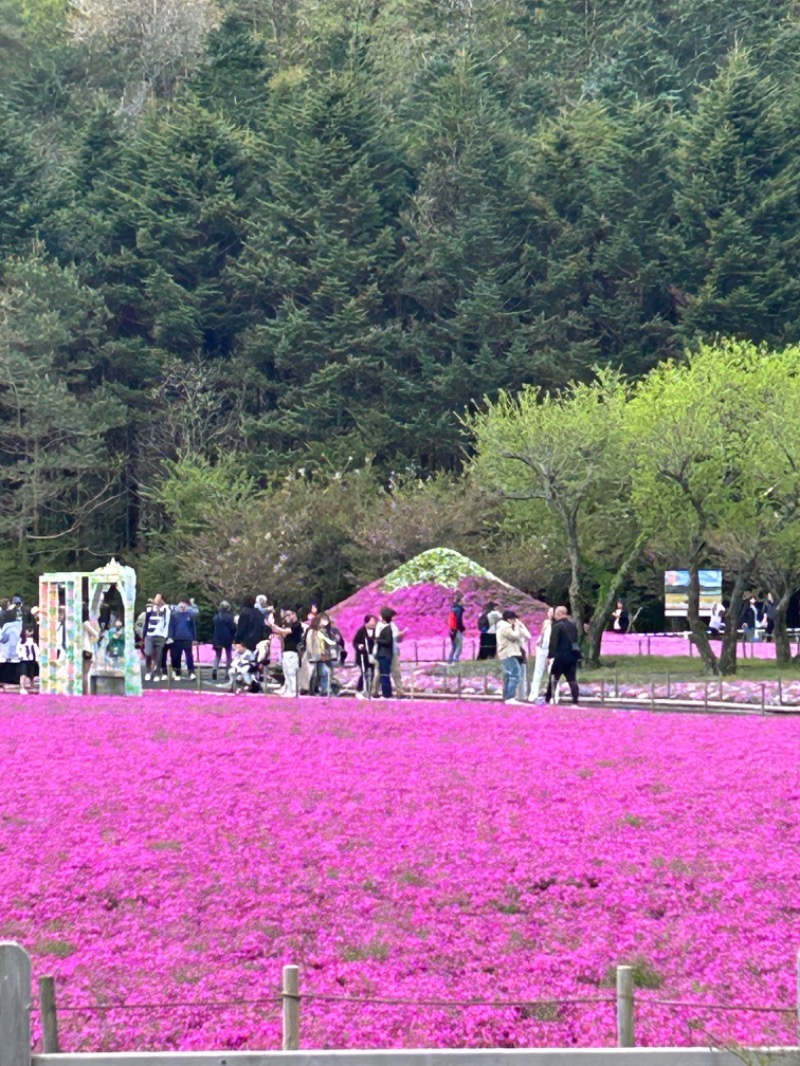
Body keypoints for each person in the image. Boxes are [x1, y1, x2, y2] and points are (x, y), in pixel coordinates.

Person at [546, 605, 581, 705]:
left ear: (560, 614)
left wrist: (549, 656)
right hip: (572, 656)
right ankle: (575, 701)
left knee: (553, 678)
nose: (555, 616)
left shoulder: (557, 626)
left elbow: (553, 643)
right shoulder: (572, 625)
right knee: (572, 679)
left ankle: (548, 699)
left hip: (560, 656)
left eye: (556, 613)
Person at [496, 610, 531, 704]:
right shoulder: (504, 627)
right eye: (513, 619)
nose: (515, 621)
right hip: (508, 653)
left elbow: (527, 635)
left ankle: (507, 696)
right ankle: (510, 697)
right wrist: (517, 627)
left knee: (508, 675)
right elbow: (514, 636)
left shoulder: (506, 627)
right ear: (509, 619)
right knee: (515, 674)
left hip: (510, 653)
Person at [272, 609, 304, 697]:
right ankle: (288, 689)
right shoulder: (289, 625)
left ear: (294, 614)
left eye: (289, 615)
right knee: (286, 672)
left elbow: (286, 631)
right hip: (286, 650)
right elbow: (283, 634)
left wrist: (275, 627)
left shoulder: (297, 625)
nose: (287, 617)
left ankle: (294, 691)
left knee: (291, 672)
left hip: (293, 651)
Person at [305, 614, 337, 697]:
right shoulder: (312, 631)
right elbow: (309, 644)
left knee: (324, 672)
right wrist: (310, 655)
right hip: (314, 655)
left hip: (324, 655)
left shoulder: (327, 631)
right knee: (313, 674)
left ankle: (325, 690)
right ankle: (312, 689)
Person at [168, 596, 197, 679]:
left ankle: (191, 671)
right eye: (181, 605)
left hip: (187, 638)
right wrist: (170, 636)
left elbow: (193, 627)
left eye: (184, 605)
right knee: (176, 655)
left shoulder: (190, 615)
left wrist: (194, 638)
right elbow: (171, 626)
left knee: (189, 655)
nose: (183, 606)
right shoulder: (174, 615)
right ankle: (177, 671)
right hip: (176, 638)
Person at [529, 606, 554, 704]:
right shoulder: (546, 622)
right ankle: (533, 695)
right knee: (537, 672)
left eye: (552, 612)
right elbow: (543, 634)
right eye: (549, 612)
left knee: (552, 673)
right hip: (541, 649)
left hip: (551, 650)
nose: (550, 614)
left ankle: (552, 696)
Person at [143, 594, 170, 681]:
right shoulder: (150, 609)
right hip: (150, 635)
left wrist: (166, 636)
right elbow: (146, 622)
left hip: (160, 636)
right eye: (156, 599)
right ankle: (148, 671)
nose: (157, 601)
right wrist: (144, 634)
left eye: (159, 599)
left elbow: (167, 622)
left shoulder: (166, 610)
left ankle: (157, 673)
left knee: (159, 656)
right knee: (148, 652)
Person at [353, 614, 378, 699]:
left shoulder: (376, 631)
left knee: (374, 674)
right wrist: (359, 646)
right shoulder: (361, 631)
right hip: (363, 656)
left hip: (373, 656)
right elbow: (355, 642)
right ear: (366, 622)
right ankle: (360, 690)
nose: (373, 624)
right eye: (372, 622)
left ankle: (371, 691)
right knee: (364, 673)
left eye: (374, 622)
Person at [374, 607, 397, 699]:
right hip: (383, 654)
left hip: (384, 654)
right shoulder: (386, 627)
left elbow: (388, 641)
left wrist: (377, 640)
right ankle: (386, 692)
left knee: (384, 674)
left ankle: (386, 693)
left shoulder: (387, 628)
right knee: (383, 674)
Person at [211, 600, 236, 680]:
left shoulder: (216, 617)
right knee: (228, 655)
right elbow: (233, 628)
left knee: (218, 655)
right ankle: (228, 673)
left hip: (217, 638)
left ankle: (215, 669)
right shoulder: (230, 617)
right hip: (227, 638)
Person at [82, 607, 100, 693]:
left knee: (82, 672)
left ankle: (81, 691)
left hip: (80, 649)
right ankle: (85, 692)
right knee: (85, 673)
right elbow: (95, 634)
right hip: (87, 649)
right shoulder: (86, 623)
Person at [18, 626, 38, 694]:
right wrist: (20, 656)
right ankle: (22, 687)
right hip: (24, 660)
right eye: (27, 630)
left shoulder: (33, 641)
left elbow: (35, 649)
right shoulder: (21, 642)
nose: (29, 632)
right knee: (23, 674)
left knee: (32, 674)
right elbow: (18, 650)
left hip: (32, 660)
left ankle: (33, 687)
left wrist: (37, 659)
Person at [447, 590, 466, 663]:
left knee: (454, 646)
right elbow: (458, 621)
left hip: (452, 630)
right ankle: (455, 661)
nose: (465, 601)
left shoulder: (454, 608)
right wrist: (462, 628)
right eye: (464, 599)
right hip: (456, 630)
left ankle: (449, 661)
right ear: (460, 601)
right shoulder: (459, 609)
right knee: (459, 645)